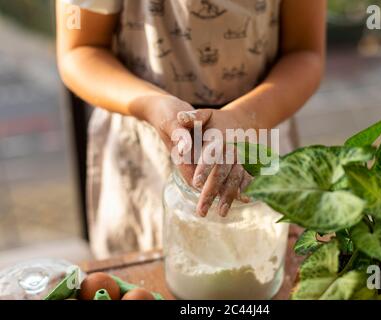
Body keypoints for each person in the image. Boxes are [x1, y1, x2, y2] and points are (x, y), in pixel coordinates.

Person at [56, 0, 326, 258]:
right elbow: (81, 50)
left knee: (260, 266)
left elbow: (305, 53)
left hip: (258, 134)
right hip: (143, 156)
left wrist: (243, 118)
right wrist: (154, 105)